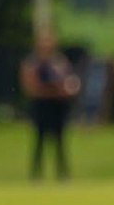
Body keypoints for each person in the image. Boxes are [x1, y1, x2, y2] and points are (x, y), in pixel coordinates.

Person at [20, 29, 78, 180]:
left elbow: (69, 82)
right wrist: (49, 89)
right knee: (39, 139)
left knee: (60, 140)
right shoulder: (32, 63)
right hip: (41, 105)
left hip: (58, 105)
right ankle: (36, 173)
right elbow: (30, 86)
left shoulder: (59, 62)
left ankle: (62, 172)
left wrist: (64, 88)